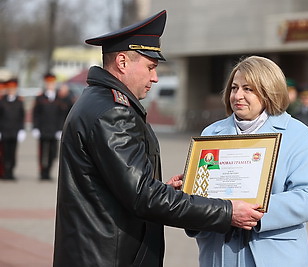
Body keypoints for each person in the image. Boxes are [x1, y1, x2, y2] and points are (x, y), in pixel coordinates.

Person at [52, 10, 263, 267]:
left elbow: (123, 186)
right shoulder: (113, 112)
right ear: (122, 62)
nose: (155, 77)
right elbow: (144, 197)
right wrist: (227, 211)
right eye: (151, 67)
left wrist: (160, 188)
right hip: (109, 256)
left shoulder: (97, 101)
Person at [186, 56, 308, 266]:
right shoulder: (212, 133)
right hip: (220, 253)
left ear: (269, 91)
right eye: (234, 88)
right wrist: (188, 194)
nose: (238, 95)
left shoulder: (297, 133)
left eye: (248, 89)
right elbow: (200, 193)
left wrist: (253, 213)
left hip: (273, 254)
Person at [32, 72, 64, 180]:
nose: (50, 85)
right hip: (43, 129)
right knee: (42, 153)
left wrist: (60, 129)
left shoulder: (59, 98)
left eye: (52, 83)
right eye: (48, 83)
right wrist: (35, 127)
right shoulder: (40, 98)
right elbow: (36, 114)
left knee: (53, 153)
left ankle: (48, 171)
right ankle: (42, 173)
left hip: (54, 129)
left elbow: (61, 115)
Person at [0, 78, 25, 180]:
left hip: (14, 131)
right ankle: (5, 172)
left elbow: (21, 117)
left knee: (13, 153)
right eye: (10, 88)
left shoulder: (19, 102)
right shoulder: (2, 101)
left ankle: (11, 172)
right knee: (4, 153)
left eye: (13, 88)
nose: (11, 90)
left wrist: (21, 130)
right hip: (4, 131)